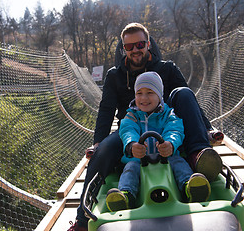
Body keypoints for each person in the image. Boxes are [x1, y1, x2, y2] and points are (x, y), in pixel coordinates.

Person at [68, 22, 222, 231]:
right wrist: (97, 143)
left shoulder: (166, 69)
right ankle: (83, 220)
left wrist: (207, 128)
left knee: (183, 93)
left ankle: (198, 154)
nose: (135, 50)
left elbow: (189, 101)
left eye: (139, 44)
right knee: (102, 152)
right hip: (132, 129)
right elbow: (106, 110)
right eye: (129, 47)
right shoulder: (115, 75)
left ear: (148, 44)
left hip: (167, 125)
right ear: (123, 49)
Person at [105, 72, 210, 212]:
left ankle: (189, 187)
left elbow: (175, 129)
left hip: (166, 157)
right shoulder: (132, 115)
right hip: (139, 159)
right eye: (139, 93)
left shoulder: (168, 114)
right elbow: (127, 130)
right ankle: (126, 195)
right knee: (130, 168)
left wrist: (170, 143)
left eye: (150, 92)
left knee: (179, 162)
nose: (144, 98)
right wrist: (132, 145)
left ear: (159, 95)